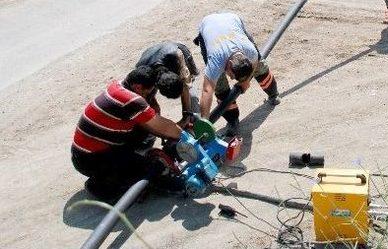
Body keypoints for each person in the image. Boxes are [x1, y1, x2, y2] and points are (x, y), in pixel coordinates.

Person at [71, 66, 184, 199]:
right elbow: (166, 128)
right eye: (148, 92)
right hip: (90, 160)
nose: (149, 96)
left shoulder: (119, 85)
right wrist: (186, 136)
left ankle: (126, 167)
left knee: (146, 132)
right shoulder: (131, 100)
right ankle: (100, 184)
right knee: (153, 169)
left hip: (93, 150)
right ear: (137, 87)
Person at [194, 12, 279, 136]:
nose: (231, 78)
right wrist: (204, 121)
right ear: (227, 66)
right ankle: (233, 120)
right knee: (219, 85)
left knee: (260, 68)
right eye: (232, 76)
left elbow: (255, 64)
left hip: (232, 20)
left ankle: (273, 94)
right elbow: (207, 90)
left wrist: (245, 81)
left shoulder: (250, 51)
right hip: (208, 26)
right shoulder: (216, 60)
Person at [136, 41, 200, 126]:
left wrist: (186, 117)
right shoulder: (143, 73)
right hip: (151, 59)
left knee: (192, 95)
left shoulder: (177, 57)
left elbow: (185, 87)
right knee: (149, 103)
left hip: (175, 50)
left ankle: (197, 123)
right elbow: (148, 100)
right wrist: (159, 125)